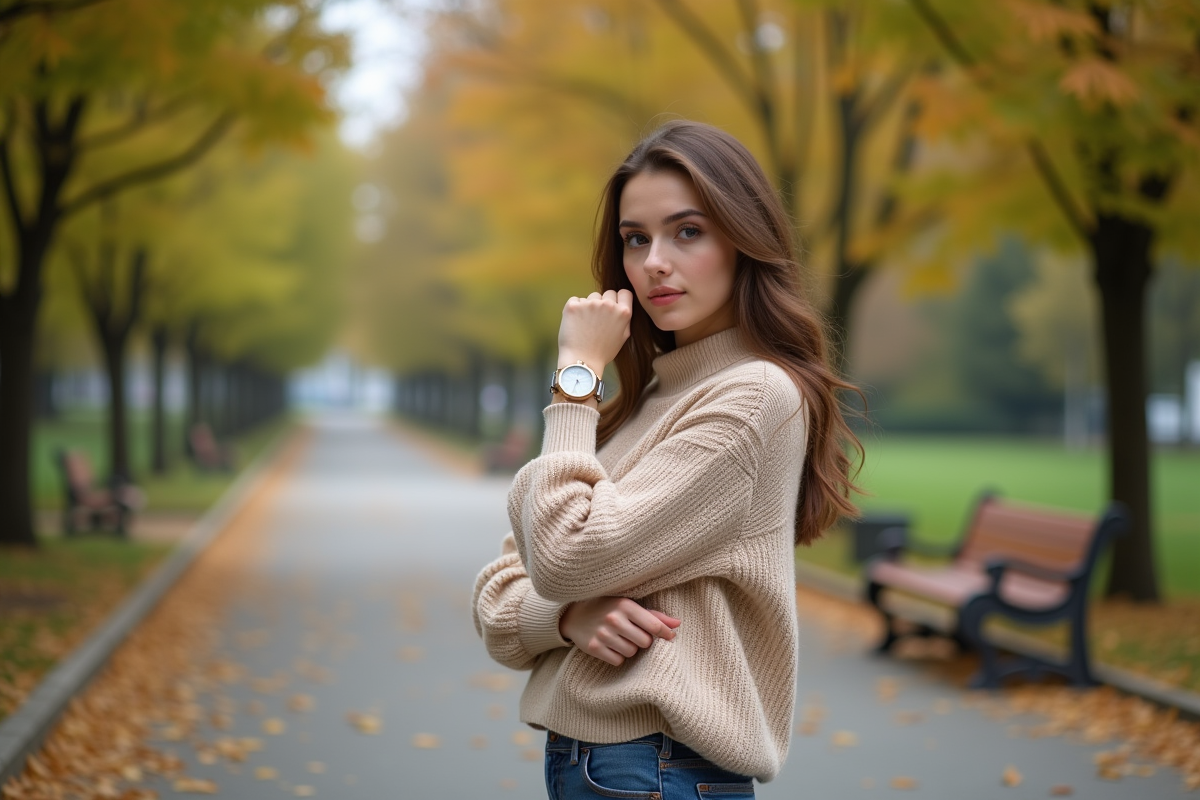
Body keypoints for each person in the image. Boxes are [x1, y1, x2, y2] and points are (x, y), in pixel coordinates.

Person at [472, 119, 861, 799]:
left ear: (743, 240)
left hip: (656, 767)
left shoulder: (751, 397)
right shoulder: (652, 398)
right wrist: (564, 619)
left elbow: (561, 554)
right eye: (635, 239)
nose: (654, 261)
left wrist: (575, 376)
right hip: (610, 764)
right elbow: (498, 591)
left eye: (688, 231)